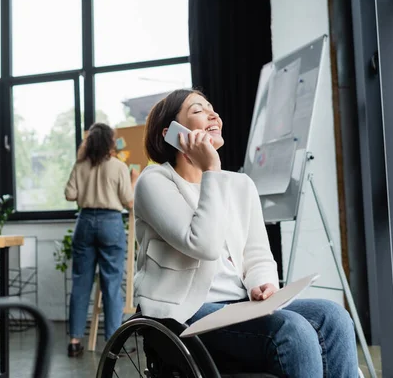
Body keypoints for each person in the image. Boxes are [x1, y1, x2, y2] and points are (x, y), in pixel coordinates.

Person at [132, 89, 359, 377]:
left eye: (212, 108)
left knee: (334, 317)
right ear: (172, 133)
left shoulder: (240, 185)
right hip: (183, 313)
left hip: (238, 306)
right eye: (198, 110)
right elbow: (205, 244)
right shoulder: (154, 182)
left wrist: (261, 282)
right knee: (294, 331)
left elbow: (257, 254)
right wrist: (210, 169)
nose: (214, 115)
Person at [64, 122, 138, 357]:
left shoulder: (80, 165)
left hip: (84, 222)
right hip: (110, 223)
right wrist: (134, 180)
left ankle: (75, 341)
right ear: (110, 142)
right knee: (111, 285)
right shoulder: (117, 166)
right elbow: (129, 201)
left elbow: (70, 195)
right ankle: (112, 345)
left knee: (80, 284)